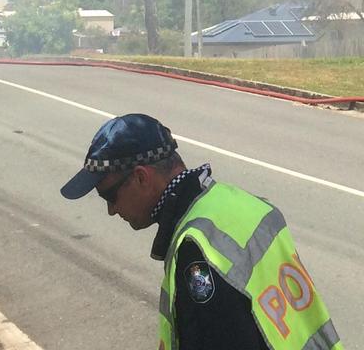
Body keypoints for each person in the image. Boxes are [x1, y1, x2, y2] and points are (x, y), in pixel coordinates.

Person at [60, 113, 343, 350]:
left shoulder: (197, 249)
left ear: (141, 178)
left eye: (109, 195)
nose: (111, 210)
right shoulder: (240, 202)